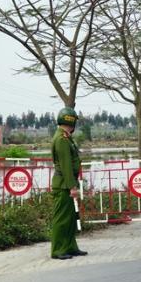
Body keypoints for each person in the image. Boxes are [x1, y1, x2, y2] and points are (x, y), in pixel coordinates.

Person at [50, 107, 87, 260]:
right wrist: (72, 187)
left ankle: (70, 246)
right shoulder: (61, 139)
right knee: (62, 219)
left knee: (71, 218)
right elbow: (65, 165)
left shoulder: (65, 137)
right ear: (70, 121)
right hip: (64, 184)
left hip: (68, 183)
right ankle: (58, 249)